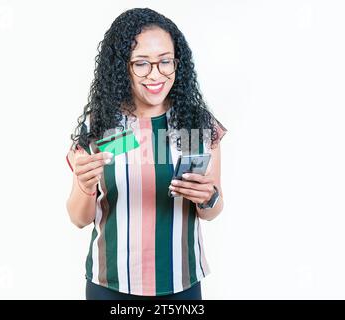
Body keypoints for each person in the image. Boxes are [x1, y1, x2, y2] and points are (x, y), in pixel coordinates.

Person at [65, 8, 227, 300]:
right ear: (121, 66)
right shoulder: (102, 125)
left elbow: (212, 211)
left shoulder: (194, 123)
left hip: (182, 283)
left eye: (165, 61)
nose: (156, 74)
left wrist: (208, 197)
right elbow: (78, 219)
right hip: (110, 286)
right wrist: (84, 186)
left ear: (178, 63)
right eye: (141, 64)